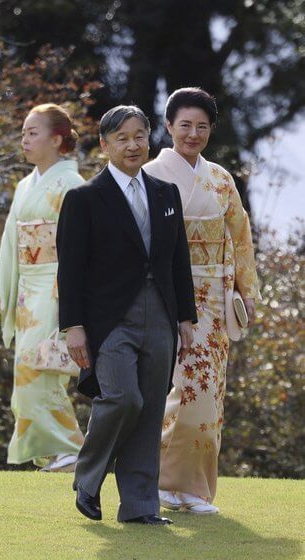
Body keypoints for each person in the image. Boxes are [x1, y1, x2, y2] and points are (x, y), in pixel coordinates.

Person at [57, 105, 196, 525]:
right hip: (109, 318)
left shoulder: (165, 193)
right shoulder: (83, 199)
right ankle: (88, 475)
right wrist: (73, 326)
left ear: (150, 137)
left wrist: (185, 319)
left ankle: (139, 507)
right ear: (104, 145)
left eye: (140, 135)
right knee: (122, 397)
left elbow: (178, 261)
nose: (133, 145)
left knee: (151, 408)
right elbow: (71, 267)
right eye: (122, 137)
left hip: (161, 315)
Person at [143, 88, 260, 515]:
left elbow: (241, 235)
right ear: (169, 126)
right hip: (166, 294)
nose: (193, 134)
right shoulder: (151, 174)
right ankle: (159, 481)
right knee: (171, 386)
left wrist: (246, 289)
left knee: (207, 391)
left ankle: (190, 489)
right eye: (185, 125)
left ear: (211, 130)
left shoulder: (220, 178)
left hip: (213, 297)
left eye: (202, 127)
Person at [0, 103, 85, 472]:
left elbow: (80, 247)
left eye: (32, 132)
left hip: (57, 285)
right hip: (27, 286)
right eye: (24, 132)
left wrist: (71, 298)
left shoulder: (72, 184)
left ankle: (70, 448)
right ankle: (56, 453)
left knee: (38, 368)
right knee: (27, 372)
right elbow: (11, 242)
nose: (24, 139)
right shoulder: (26, 185)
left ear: (57, 139)